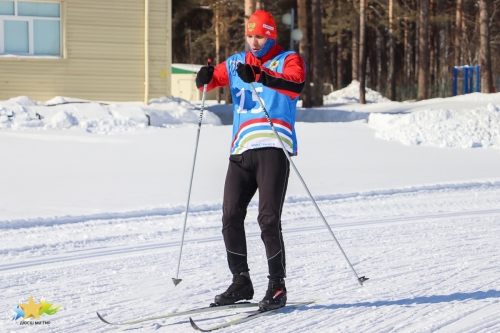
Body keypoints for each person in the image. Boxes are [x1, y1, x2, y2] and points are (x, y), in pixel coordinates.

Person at [195, 10, 306, 311]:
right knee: (230, 216)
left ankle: (277, 287)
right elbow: (213, 79)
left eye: (261, 36)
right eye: (250, 35)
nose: (254, 42)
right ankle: (241, 282)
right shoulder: (234, 62)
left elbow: (295, 86)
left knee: (268, 220)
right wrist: (203, 77)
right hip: (241, 151)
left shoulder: (288, 60)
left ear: (271, 35)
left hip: (273, 147)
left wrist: (260, 75)